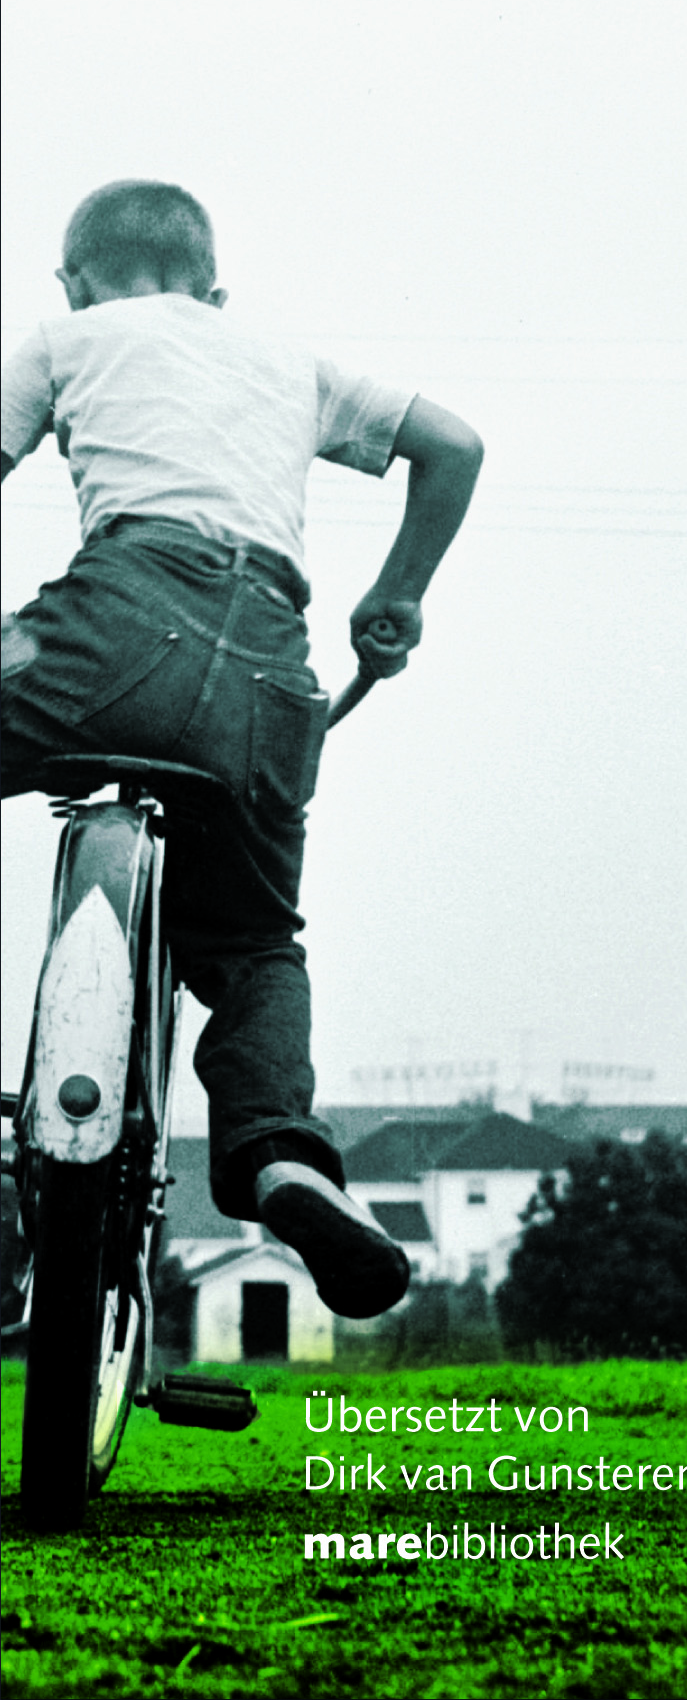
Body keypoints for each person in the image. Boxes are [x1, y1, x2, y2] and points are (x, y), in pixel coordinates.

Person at [2, 182, 484, 1318]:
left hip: (112, 626)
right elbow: (454, 443)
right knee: (256, 942)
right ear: (214, 292)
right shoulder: (285, 358)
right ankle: (281, 1156)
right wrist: (398, 594)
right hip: (268, 667)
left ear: (73, 280)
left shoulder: (67, 338)